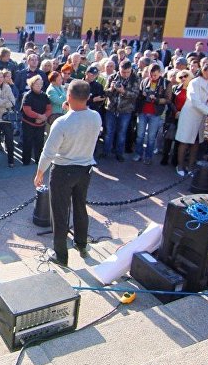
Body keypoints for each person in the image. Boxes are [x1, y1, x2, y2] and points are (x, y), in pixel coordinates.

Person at [34, 80, 102, 267]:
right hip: (85, 168)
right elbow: (81, 124)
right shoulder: (96, 117)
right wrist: (70, 109)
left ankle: (61, 255)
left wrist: (40, 172)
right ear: (88, 97)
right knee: (80, 207)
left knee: (60, 212)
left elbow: (48, 152)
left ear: (68, 97)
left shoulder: (61, 122)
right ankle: (81, 244)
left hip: (63, 170)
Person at [175, 62, 208, 176]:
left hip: (203, 116)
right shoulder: (194, 82)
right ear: (203, 70)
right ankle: (180, 166)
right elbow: (195, 102)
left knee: (196, 142)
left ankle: (191, 166)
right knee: (184, 141)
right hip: (190, 115)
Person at [102, 60, 140, 161]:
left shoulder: (135, 79)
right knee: (108, 132)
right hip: (111, 109)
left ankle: (119, 153)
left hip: (125, 111)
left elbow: (135, 95)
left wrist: (123, 91)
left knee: (121, 133)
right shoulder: (112, 77)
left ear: (131, 70)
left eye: (128, 72)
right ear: (119, 69)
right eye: (123, 72)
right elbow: (105, 93)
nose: (125, 74)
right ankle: (105, 151)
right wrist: (111, 89)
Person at [133, 64, 168, 165]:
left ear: (160, 73)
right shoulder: (145, 81)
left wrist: (156, 99)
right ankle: (138, 154)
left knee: (151, 137)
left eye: (155, 75)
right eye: (151, 75)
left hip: (155, 113)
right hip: (143, 112)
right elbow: (138, 95)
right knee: (140, 135)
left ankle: (148, 157)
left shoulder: (165, 83)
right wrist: (142, 95)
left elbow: (168, 99)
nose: (152, 77)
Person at [20, 76, 52, 165]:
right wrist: (38, 116)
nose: (39, 85)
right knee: (27, 144)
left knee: (39, 144)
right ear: (32, 84)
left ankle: (39, 162)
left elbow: (49, 108)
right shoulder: (27, 96)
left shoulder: (44, 95)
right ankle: (26, 162)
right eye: (36, 84)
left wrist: (44, 116)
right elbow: (27, 110)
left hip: (40, 125)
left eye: (40, 84)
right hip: (28, 124)